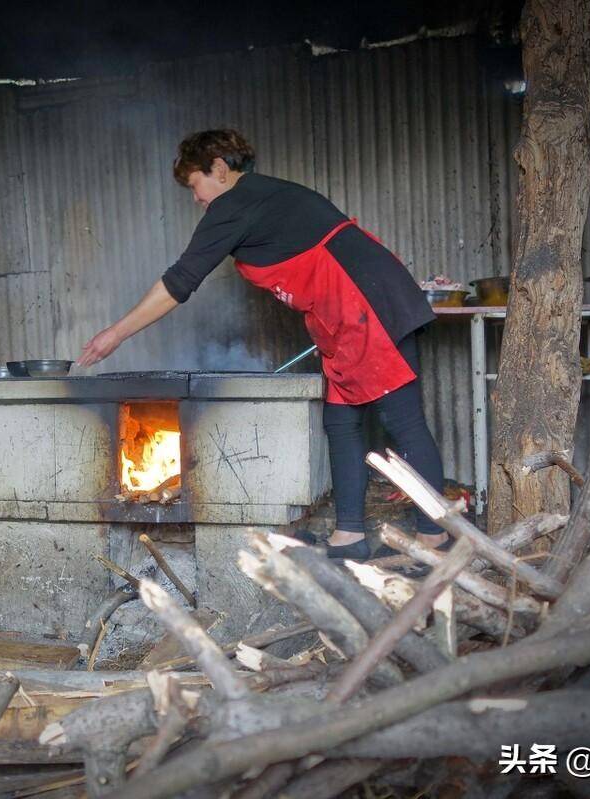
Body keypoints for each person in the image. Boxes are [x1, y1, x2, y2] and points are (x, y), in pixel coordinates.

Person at [78, 129, 449, 560]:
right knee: (342, 422)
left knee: (403, 421)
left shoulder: (235, 203)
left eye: (194, 185)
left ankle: (433, 537)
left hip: (364, 303)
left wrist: (115, 334)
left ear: (218, 168)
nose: (196, 198)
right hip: (341, 313)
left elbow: (179, 282)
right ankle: (349, 536)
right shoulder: (261, 198)